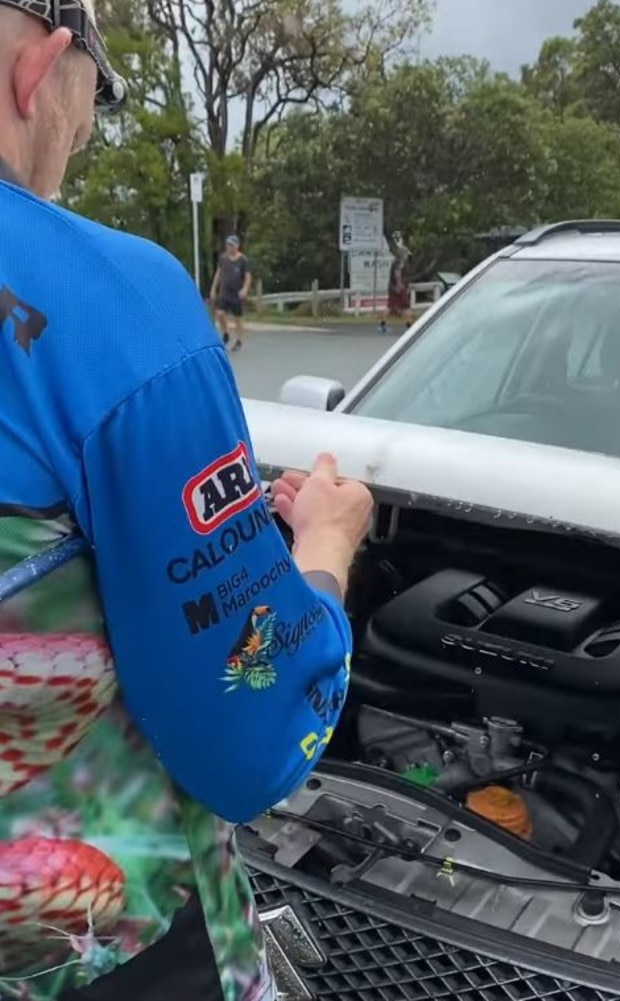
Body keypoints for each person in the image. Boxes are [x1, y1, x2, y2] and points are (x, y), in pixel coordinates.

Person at [0, 3, 373, 1000]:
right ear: (38, 72)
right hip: (97, 957)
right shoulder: (113, 305)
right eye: (87, 113)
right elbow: (247, 739)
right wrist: (322, 550)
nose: (72, 148)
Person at [209, 235, 252, 351]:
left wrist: (245, 289)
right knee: (219, 313)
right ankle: (226, 333)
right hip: (224, 292)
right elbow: (218, 274)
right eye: (228, 245)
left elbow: (248, 277)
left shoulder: (243, 260)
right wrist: (213, 288)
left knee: (238, 318)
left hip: (236, 293)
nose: (229, 247)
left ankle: (239, 340)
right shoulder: (223, 259)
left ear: (237, 246)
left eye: (232, 245)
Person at [379, 232, 414, 333]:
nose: (408, 256)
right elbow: (397, 273)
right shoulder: (400, 262)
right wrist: (400, 286)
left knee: (390, 306)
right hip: (398, 288)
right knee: (406, 306)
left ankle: (382, 325)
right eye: (407, 254)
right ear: (404, 254)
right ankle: (410, 325)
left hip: (392, 287)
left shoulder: (395, 261)